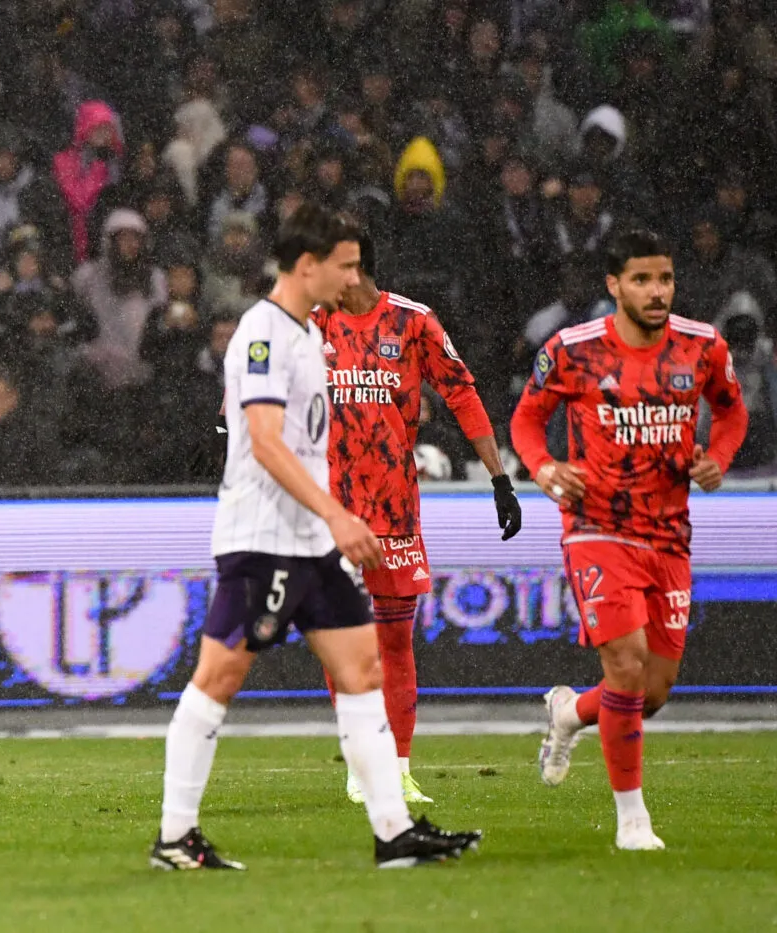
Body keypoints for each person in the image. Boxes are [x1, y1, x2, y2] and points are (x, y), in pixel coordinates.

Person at [150, 205, 481, 872]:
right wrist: (336, 512)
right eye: (347, 264)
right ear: (309, 266)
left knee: (363, 670)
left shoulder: (307, 335)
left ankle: (392, 831)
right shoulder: (265, 334)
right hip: (266, 538)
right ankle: (174, 836)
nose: (356, 277)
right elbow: (269, 444)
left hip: (310, 539)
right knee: (218, 676)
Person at [511, 230, 748, 851]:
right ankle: (632, 823)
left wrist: (718, 457)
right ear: (614, 285)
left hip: (669, 534)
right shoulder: (572, 350)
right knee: (625, 663)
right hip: (597, 527)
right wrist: (543, 469)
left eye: (664, 279)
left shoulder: (702, 346)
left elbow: (732, 410)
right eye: (642, 280)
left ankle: (569, 713)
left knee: (652, 693)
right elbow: (527, 419)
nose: (657, 291)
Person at [315, 230, 522, 805]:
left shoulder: (412, 322)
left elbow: (461, 392)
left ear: (353, 271)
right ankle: (361, 766)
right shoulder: (311, 323)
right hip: (333, 512)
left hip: (396, 510)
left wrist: (499, 479)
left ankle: (399, 768)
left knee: (396, 641)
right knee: (345, 643)